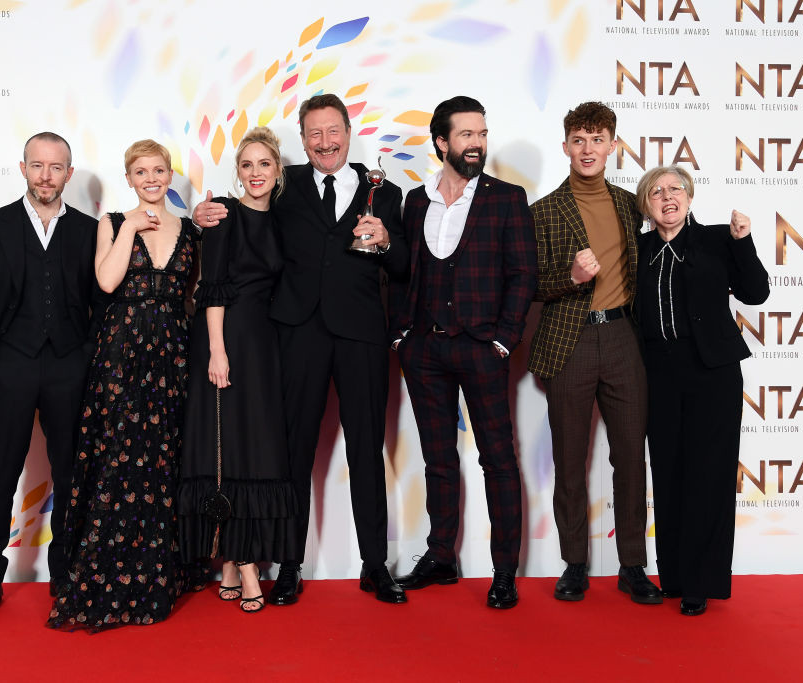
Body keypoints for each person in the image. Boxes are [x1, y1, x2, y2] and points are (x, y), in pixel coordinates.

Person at [193, 94, 409, 605]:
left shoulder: (385, 190)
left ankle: (375, 565)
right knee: (293, 453)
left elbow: (403, 267)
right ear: (303, 139)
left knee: (366, 450)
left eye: (333, 131)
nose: (325, 142)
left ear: (348, 133)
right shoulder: (284, 186)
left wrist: (385, 241)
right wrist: (201, 216)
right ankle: (289, 564)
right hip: (296, 335)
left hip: (360, 335)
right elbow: (246, 214)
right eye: (314, 134)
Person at [390, 96, 537, 609]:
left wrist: (504, 339)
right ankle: (440, 557)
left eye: (482, 133)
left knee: (498, 460)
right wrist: (402, 334)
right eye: (466, 135)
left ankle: (505, 572)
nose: (477, 143)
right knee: (438, 459)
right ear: (442, 142)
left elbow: (523, 274)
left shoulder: (507, 198)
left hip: (482, 348)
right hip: (425, 348)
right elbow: (405, 273)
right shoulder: (416, 201)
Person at [47, 139, 196, 631]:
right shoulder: (111, 223)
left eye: (158, 170)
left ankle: (160, 573)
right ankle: (109, 574)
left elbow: (194, 295)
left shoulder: (190, 230)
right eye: (140, 171)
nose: (151, 178)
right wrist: (131, 226)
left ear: (169, 175)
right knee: (118, 458)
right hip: (122, 353)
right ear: (129, 178)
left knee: (164, 460)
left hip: (173, 353)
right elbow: (107, 283)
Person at [0, 132, 106, 617]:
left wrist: (86, 356)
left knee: (70, 474)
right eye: (38, 166)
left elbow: (101, 304)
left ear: (69, 173)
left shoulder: (88, 230)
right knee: (2, 473)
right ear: (23, 168)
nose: (46, 176)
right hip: (10, 367)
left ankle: (65, 574)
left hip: (69, 367)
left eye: (56, 167)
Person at [528, 102, 661, 605]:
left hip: (625, 338)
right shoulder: (543, 211)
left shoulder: (631, 204)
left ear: (612, 146)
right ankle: (575, 564)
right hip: (571, 342)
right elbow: (529, 286)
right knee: (570, 460)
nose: (588, 149)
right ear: (566, 146)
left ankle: (633, 566)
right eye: (579, 140)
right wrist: (571, 277)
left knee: (630, 458)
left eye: (597, 140)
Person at [633, 166, 768, 616]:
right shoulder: (639, 249)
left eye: (676, 189)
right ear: (646, 205)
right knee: (668, 471)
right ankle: (673, 576)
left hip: (713, 372)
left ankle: (701, 583)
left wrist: (743, 241)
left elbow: (756, 293)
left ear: (690, 198)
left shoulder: (716, 239)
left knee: (708, 475)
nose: (667, 196)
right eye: (656, 191)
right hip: (658, 373)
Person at [178, 127, 298, 614]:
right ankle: (246, 565)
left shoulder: (284, 219)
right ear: (238, 172)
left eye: (264, 164)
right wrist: (216, 350)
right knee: (226, 449)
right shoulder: (224, 216)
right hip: (226, 340)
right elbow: (212, 287)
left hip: (265, 345)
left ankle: (230, 559)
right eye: (246, 165)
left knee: (253, 450)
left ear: (278, 170)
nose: (255, 173)